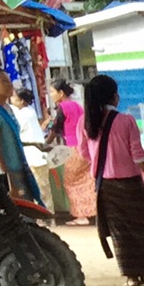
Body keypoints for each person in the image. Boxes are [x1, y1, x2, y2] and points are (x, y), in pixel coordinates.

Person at [82, 74, 144, 286]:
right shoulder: (125, 120)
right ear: (112, 96)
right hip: (130, 184)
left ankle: (133, 276)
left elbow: (84, 153)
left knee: (121, 233)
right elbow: (138, 155)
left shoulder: (86, 122)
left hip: (104, 186)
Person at [0, 67, 43, 207]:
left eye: (9, 81)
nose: (10, 85)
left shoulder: (7, 108)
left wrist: (34, 144)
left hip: (19, 168)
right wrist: (7, 179)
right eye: (4, 82)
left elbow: (12, 139)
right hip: (8, 173)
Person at [49, 77, 93, 225]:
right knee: (86, 179)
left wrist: (46, 143)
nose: (51, 95)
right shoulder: (77, 106)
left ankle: (81, 215)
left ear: (61, 93)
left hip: (72, 147)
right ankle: (90, 212)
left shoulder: (63, 107)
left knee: (70, 181)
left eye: (52, 92)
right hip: (84, 146)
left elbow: (56, 128)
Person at [11, 85, 60, 211]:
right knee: (43, 188)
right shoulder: (29, 111)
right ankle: (47, 214)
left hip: (35, 156)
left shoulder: (24, 114)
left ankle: (47, 215)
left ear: (22, 101)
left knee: (41, 188)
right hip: (36, 156)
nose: (11, 100)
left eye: (14, 98)